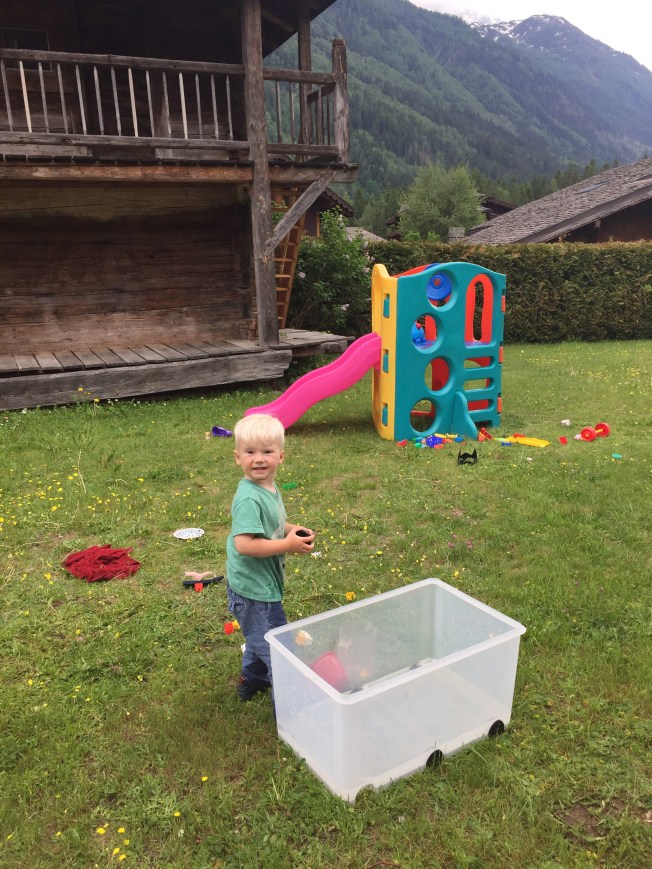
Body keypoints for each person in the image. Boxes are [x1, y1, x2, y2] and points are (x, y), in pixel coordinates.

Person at [226, 413, 314, 702]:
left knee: (260, 638)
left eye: (267, 452)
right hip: (254, 592)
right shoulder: (249, 498)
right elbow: (244, 544)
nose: (259, 459)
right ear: (237, 457)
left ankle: (251, 682)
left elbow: (273, 523)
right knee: (279, 649)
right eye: (250, 452)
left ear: (281, 456)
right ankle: (292, 708)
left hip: (260, 586)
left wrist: (292, 530)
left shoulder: (268, 487)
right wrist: (287, 545)